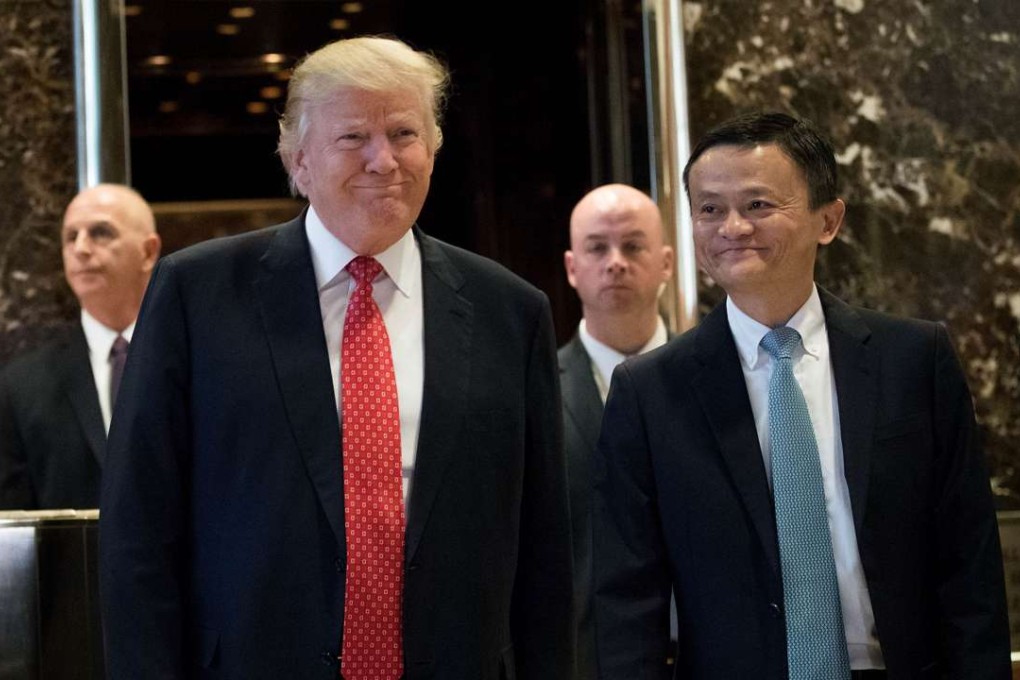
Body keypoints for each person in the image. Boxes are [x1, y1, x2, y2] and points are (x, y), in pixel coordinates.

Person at [98, 36, 573, 679]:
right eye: (354, 137)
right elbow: (139, 531)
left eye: (405, 132)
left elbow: (543, 547)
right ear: (297, 161)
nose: (385, 160)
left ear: (433, 148)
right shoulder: (197, 294)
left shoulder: (510, 311)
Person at [591, 111, 1010, 679]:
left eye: (758, 205)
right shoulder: (649, 391)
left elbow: (970, 563)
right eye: (709, 209)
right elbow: (627, 598)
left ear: (829, 219)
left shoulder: (913, 358)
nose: (732, 227)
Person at [558, 183, 674, 678]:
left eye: (633, 245)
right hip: (586, 660)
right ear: (571, 267)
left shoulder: (725, 380)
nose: (615, 262)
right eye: (597, 247)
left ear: (667, 263)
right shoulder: (532, 391)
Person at [0, 184, 160, 509]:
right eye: (70, 237)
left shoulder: (195, 361)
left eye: (101, 232)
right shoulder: (22, 385)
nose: (81, 248)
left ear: (148, 252)